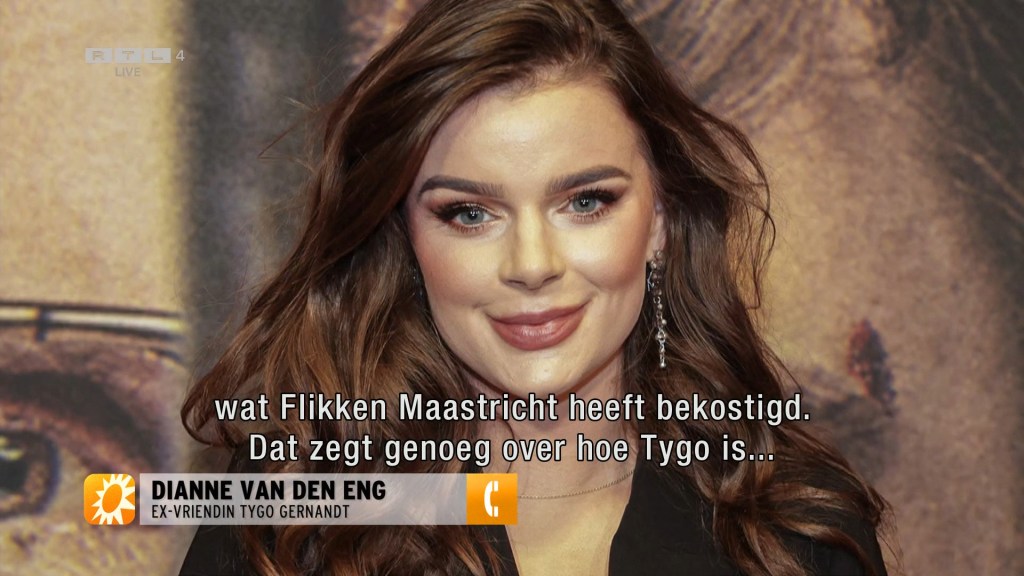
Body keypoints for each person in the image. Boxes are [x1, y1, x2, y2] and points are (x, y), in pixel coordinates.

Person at [179, 0, 894, 574]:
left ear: (661, 220)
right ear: (405, 238)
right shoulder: (291, 520)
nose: (531, 263)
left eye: (585, 201)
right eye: (469, 213)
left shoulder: (796, 534)